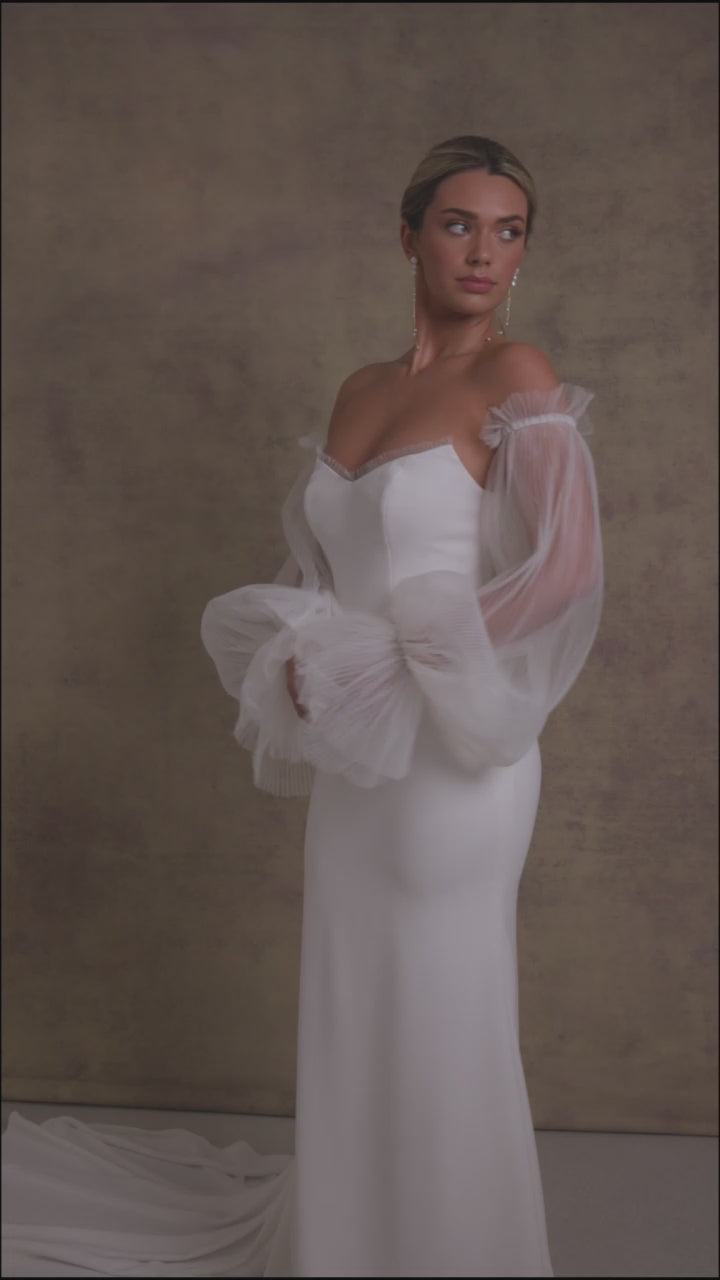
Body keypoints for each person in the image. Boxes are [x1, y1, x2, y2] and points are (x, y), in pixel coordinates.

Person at [2, 135, 603, 1278]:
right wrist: (305, 649)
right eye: (460, 223)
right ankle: (352, 1238)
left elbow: (565, 571)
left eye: (509, 229)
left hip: (453, 762)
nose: (485, 251)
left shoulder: (515, 377)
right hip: (360, 763)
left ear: (525, 254)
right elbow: (335, 570)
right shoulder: (364, 389)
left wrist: (403, 655)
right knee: (356, 990)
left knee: (440, 1004)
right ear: (410, 234)